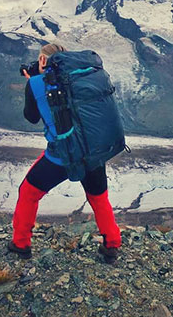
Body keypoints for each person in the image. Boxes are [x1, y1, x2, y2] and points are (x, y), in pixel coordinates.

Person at [8, 43, 122, 264]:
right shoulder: (80, 80)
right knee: (98, 198)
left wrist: (31, 84)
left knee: (28, 192)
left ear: (42, 61)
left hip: (61, 155)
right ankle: (112, 245)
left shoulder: (35, 83)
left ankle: (20, 244)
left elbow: (31, 117)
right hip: (92, 149)